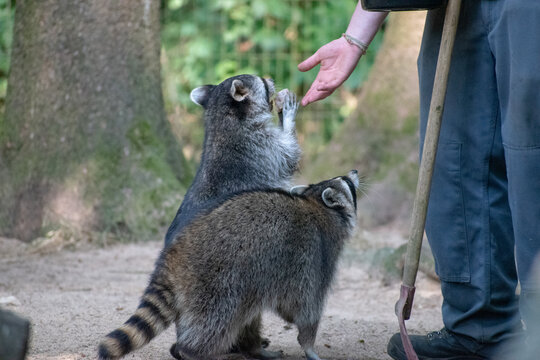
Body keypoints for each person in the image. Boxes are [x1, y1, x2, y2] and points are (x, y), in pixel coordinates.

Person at [298, 1, 540, 359]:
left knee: (531, 150)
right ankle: (478, 328)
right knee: (453, 151)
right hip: (458, 6)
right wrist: (355, 37)